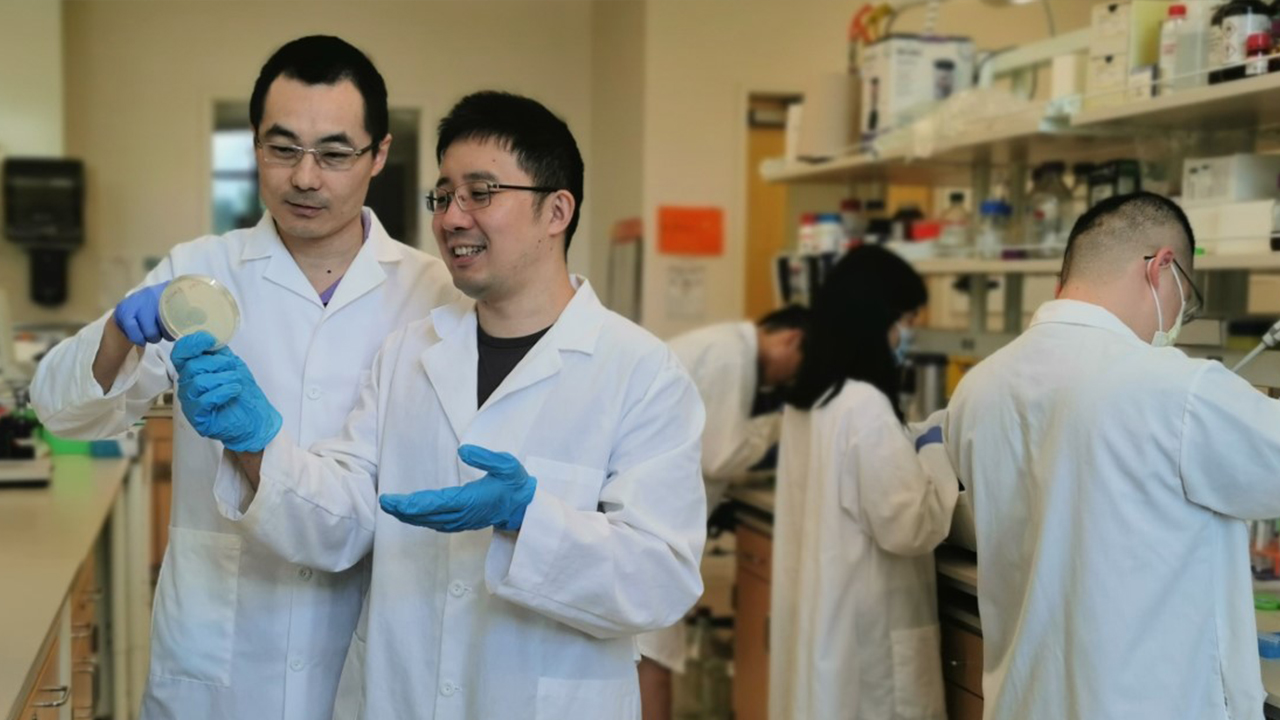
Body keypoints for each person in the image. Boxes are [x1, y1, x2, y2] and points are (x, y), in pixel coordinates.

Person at [171, 90, 708, 718]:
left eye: (481, 193)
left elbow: (661, 582)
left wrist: (527, 520)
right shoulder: (409, 353)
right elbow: (340, 524)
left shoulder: (641, 373)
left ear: (557, 210)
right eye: (444, 195)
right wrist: (255, 444)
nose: (453, 218)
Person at [29, 36, 457, 720]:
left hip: (366, 660)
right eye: (281, 149)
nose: (305, 178)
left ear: (379, 155)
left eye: (335, 153)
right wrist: (118, 332)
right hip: (219, 666)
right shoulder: (200, 272)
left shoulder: (434, 295)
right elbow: (63, 415)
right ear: (254, 144)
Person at [944, 191, 1280, 719]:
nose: (1177, 321)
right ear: (1162, 268)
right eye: (1184, 302)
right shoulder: (1178, 388)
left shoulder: (977, 388)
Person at [768, 245, 958, 720]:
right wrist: (934, 448)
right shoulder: (862, 405)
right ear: (877, 320)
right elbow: (910, 525)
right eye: (906, 320)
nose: (907, 334)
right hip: (866, 642)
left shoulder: (808, 402)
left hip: (825, 628)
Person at [636, 305, 808, 718]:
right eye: (800, 365)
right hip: (648, 521)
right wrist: (780, 426)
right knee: (654, 657)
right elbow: (721, 455)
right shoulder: (734, 356)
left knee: (646, 651)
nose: (791, 379)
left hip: (648, 514)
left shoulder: (724, 346)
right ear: (792, 340)